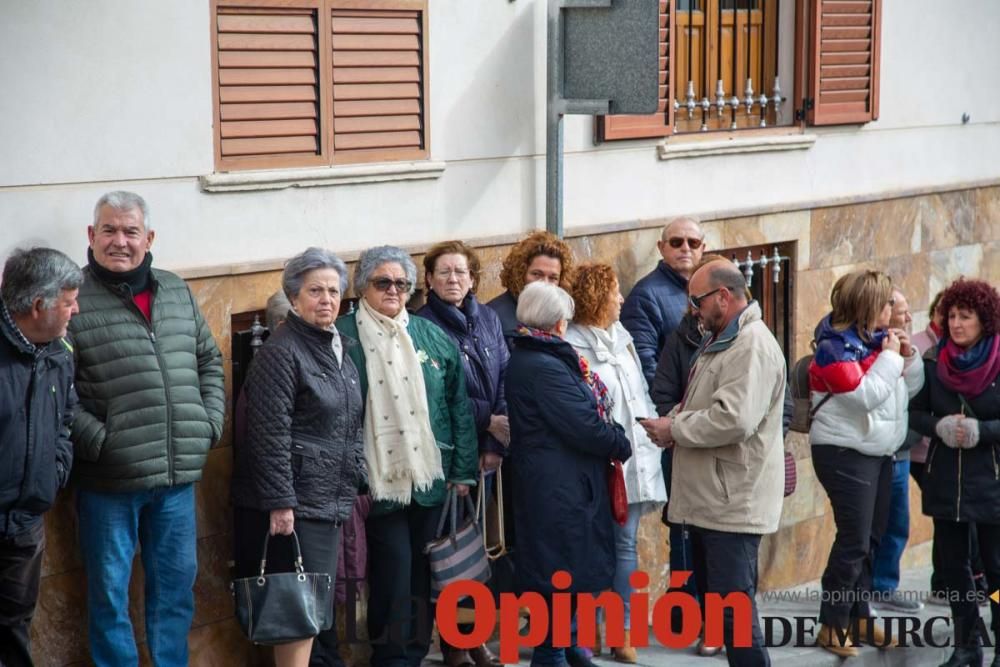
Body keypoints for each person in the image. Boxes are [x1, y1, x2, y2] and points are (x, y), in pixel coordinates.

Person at [68, 191, 225, 666]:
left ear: (149, 238)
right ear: (92, 235)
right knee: (109, 597)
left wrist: (209, 423)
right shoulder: (72, 297)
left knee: (175, 594)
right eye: (109, 230)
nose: (120, 241)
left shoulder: (175, 289)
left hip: (176, 480)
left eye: (130, 231)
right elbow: (57, 388)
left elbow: (208, 359)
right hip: (109, 481)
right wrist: (100, 441)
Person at [336, 245, 478, 667]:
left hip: (429, 477)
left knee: (423, 571)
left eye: (401, 284)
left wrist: (462, 471)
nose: (393, 290)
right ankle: (392, 656)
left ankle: (412, 654)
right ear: (363, 287)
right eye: (382, 282)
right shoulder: (342, 336)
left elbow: (458, 407)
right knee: (394, 571)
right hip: (375, 480)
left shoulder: (431, 335)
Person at [641, 260, 785, 667]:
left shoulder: (751, 345)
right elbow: (705, 403)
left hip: (732, 506)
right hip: (715, 502)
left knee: (736, 619)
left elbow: (734, 419)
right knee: (725, 614)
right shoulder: (726, 338)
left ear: (723, 296)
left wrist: (674, 428)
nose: (693, 310)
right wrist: (674, 422)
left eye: (697, 301)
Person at [231, 248, 365, 667]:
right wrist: (280, 504)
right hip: (295, 506)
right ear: (293, 298)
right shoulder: (282, 351)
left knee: (309, 613)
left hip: (326, 500)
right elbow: (267, 434)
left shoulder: (334, 346)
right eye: (315, 291)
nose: (326, 300)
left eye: (333, 291)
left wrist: (356, 470)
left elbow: (348, 422)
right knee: (296, 614)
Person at [505, 281, 632, 667]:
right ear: (558, 323)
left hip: (562, 483)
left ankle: (567, 643)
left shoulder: (538, 357)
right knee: (557, 572)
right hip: (557, 487)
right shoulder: (544, 366)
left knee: (568, 568)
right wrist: (619, 441)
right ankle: (551, 652)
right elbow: (584, 426)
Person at [807, 270, 923, 658]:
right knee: (854, 540)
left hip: (879, 451)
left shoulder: (878, 340)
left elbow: (908, 390)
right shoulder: (833, 347)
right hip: (843, 452)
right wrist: (891, 357)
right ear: (868, 304)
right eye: (888, 302)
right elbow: (865, 396)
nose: (894, 309)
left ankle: (860, 616)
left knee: (873, 540)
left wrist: (907, 355)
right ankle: (832, 623)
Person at [565, 263, 665, 664]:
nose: (621, 299)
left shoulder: (622, 338)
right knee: (592, 549)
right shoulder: (571, 344)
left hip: (634, 459)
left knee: (626, 545)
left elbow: (639, 393)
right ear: (595, 297)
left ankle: (624, 632)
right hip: (596, 462)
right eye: (614, 292)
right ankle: (587, 631)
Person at [416, 240, 508, 667]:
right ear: (429, 279)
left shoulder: (487, 317)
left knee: (476, 552)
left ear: (473, 278)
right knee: (449, 551)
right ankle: (455, 643)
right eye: (444, 272)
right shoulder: (421, 325)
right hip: (447, 457)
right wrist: (487, 419)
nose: (453, 279)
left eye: (461, 271)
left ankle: (475, 638)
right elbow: (436, 396)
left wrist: (493, 443)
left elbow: (505, 379)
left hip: (486, 454)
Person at [910, 278, 1000, 667]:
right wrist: (939, 426)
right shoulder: (933, 362)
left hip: (992, 480)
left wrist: (983, 431)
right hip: (946, 478)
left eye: (966, 316)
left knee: (996, 568)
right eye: (952, 316)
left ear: (985, 320)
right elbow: (915, 413)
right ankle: (967, 646)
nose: (957, 324)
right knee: (954, 567)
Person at [0, 248, 81, 667]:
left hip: (27, 523)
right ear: (37, 306)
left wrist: (54, 471)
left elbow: (66, 417)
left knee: (15, 626)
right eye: (68, 302)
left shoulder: (59, 350)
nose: (76, 310)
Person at [870, 288, 923, 612]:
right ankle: (856, 593)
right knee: (866, 528)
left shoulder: (905, 345)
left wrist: (909, 355)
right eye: (902, 311)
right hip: (872, 451)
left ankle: (884, 586)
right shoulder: (866, 346)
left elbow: (915, 392)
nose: (908, 317)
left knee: (897, 524)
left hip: (900, 451)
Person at [620, 216, 706, 385]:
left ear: (702, 248)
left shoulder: (709, 287)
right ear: (661, 247)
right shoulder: (644, 295)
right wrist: (672, 399)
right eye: (676, 242)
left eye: (693, 243)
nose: (685, 248)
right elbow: (643, 362)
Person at [487, 231, 575, 343]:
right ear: (520, 273)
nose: (545, 283)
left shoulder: (560, 315)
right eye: (537, 274)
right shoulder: (493, 317)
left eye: (553, 278)